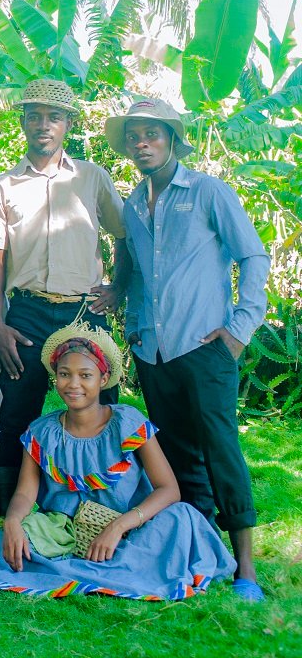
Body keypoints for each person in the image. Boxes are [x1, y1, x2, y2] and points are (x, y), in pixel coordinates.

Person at [0, 323, 236, 600]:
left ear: (103, 379)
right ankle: (108, 566)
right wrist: (14, 520)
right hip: (64, 531)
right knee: (4, 537)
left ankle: (100, 562)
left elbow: (168, 490)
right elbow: (25, 493)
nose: (73, 384)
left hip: (132, 527)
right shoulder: (42, 432)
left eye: (85, 375)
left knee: (182, 518)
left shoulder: (128, 423)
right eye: (65, 374)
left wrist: (118, 527)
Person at [108, 99, 269, 601]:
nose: (142, 143)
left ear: (173, 139)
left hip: (204, 344)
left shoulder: (207, 192)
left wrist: (241, 327)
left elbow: (253, 254)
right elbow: (135, 269)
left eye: (152, 134)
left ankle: (246, 568)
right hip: (153, 351)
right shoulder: (133, 204)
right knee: (177, 454)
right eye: (134, 135)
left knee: (220, 447)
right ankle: (201, 549)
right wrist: (132, 325)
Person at [0, 79, 130, 516]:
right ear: (23, 123)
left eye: (54, 117)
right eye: (34, 117)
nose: (43, 125)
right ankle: (10, 518)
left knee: (104, 410)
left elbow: (124, 235)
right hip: (26, 312)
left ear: (68, 124)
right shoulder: (3, 186)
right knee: (15, 415)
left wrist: (118, 287)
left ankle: (107, 507)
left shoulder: (92, 177)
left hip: (85, 312)